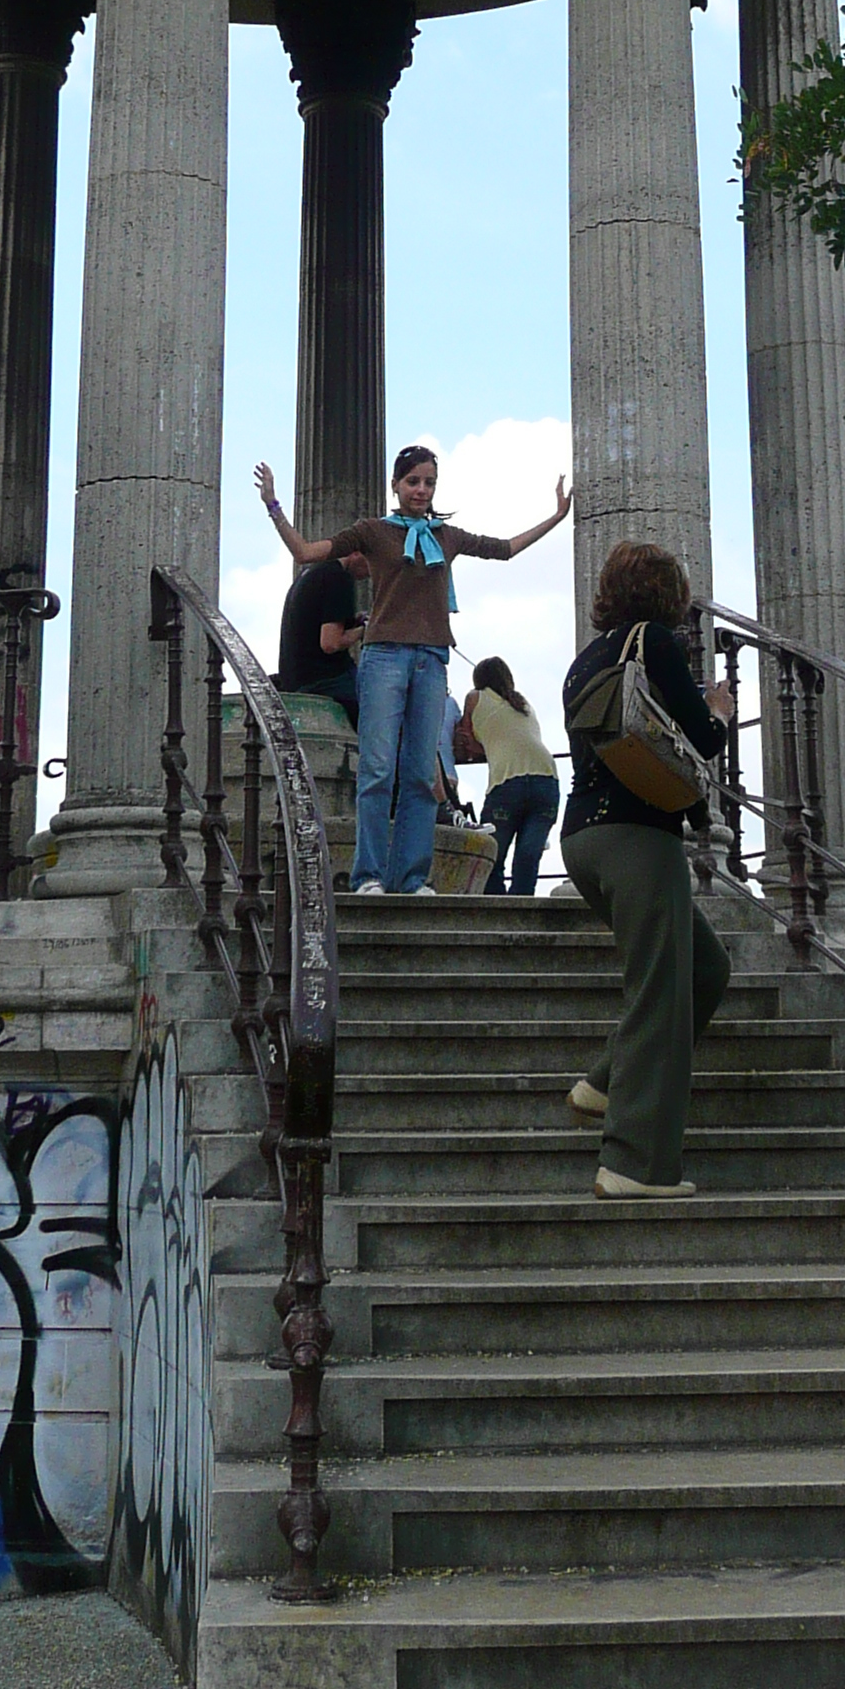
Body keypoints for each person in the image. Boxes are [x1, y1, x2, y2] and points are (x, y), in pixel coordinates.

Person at [254, 445, 571, 896]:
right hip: (384, 658)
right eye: (413, 482)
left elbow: (504, 550)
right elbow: (306, 552)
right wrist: (273, 505)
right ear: (396, 486)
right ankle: (369, 876)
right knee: (378, 770)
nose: (421, 490)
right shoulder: (373, 532)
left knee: (421, 774)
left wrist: (556, 517)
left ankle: (412, 877)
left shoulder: (447, 536)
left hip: (431, 660)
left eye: (429, 483)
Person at [559, 542, 734, 1198]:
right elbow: (703, 742)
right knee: (659, 991)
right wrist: (715, 706)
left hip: (584, 838)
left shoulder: (586, 661)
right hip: (637, 836)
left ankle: (603, 1084)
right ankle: (633, 1165)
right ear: (669, 596)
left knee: (704, 968)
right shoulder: (655, 644)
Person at [463, 657, 560, 897]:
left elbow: (466, 741)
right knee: (528, 857)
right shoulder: (522, 702)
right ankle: (521, 911)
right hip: (547, 780)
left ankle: (498, 911)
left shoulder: (474, 698)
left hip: (507, 783)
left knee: (491, 856)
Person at [273, 547, 368, 724]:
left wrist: (352, 623)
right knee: (390, 709)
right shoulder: (339, 578)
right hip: (326, 679)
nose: (373, 570)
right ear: (356, 552)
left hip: (296, 678)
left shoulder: (311, 573)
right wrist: (365, 629)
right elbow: (331, 643)